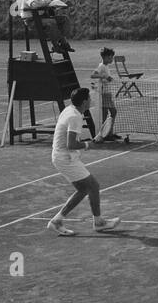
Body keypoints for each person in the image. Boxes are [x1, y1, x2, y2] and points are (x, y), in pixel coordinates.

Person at [47, 88, 120, 237]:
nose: (91, 100)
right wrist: (88, 145)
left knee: (84, 189)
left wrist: (88, 143)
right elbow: (71, 144)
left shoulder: (70, 110)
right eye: (89, 98)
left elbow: (71, 142)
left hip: (63, 156)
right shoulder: (75, 117)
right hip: (65, 158)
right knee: (93, 186)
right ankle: (98, 223)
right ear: (84, 101)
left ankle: (57, 221)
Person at [90, 47, 120, 141]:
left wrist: (108, 78)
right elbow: (93, 75)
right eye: (110, 58)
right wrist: (104, 76)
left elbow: (106, 78)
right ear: (105, 57)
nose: (111, 59)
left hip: (108, 94)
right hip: (104, 94)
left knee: (108, 113)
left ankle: (108, 133)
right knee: (110, 113)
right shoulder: (101, 66)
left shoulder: (106, 66)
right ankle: (105, 134)